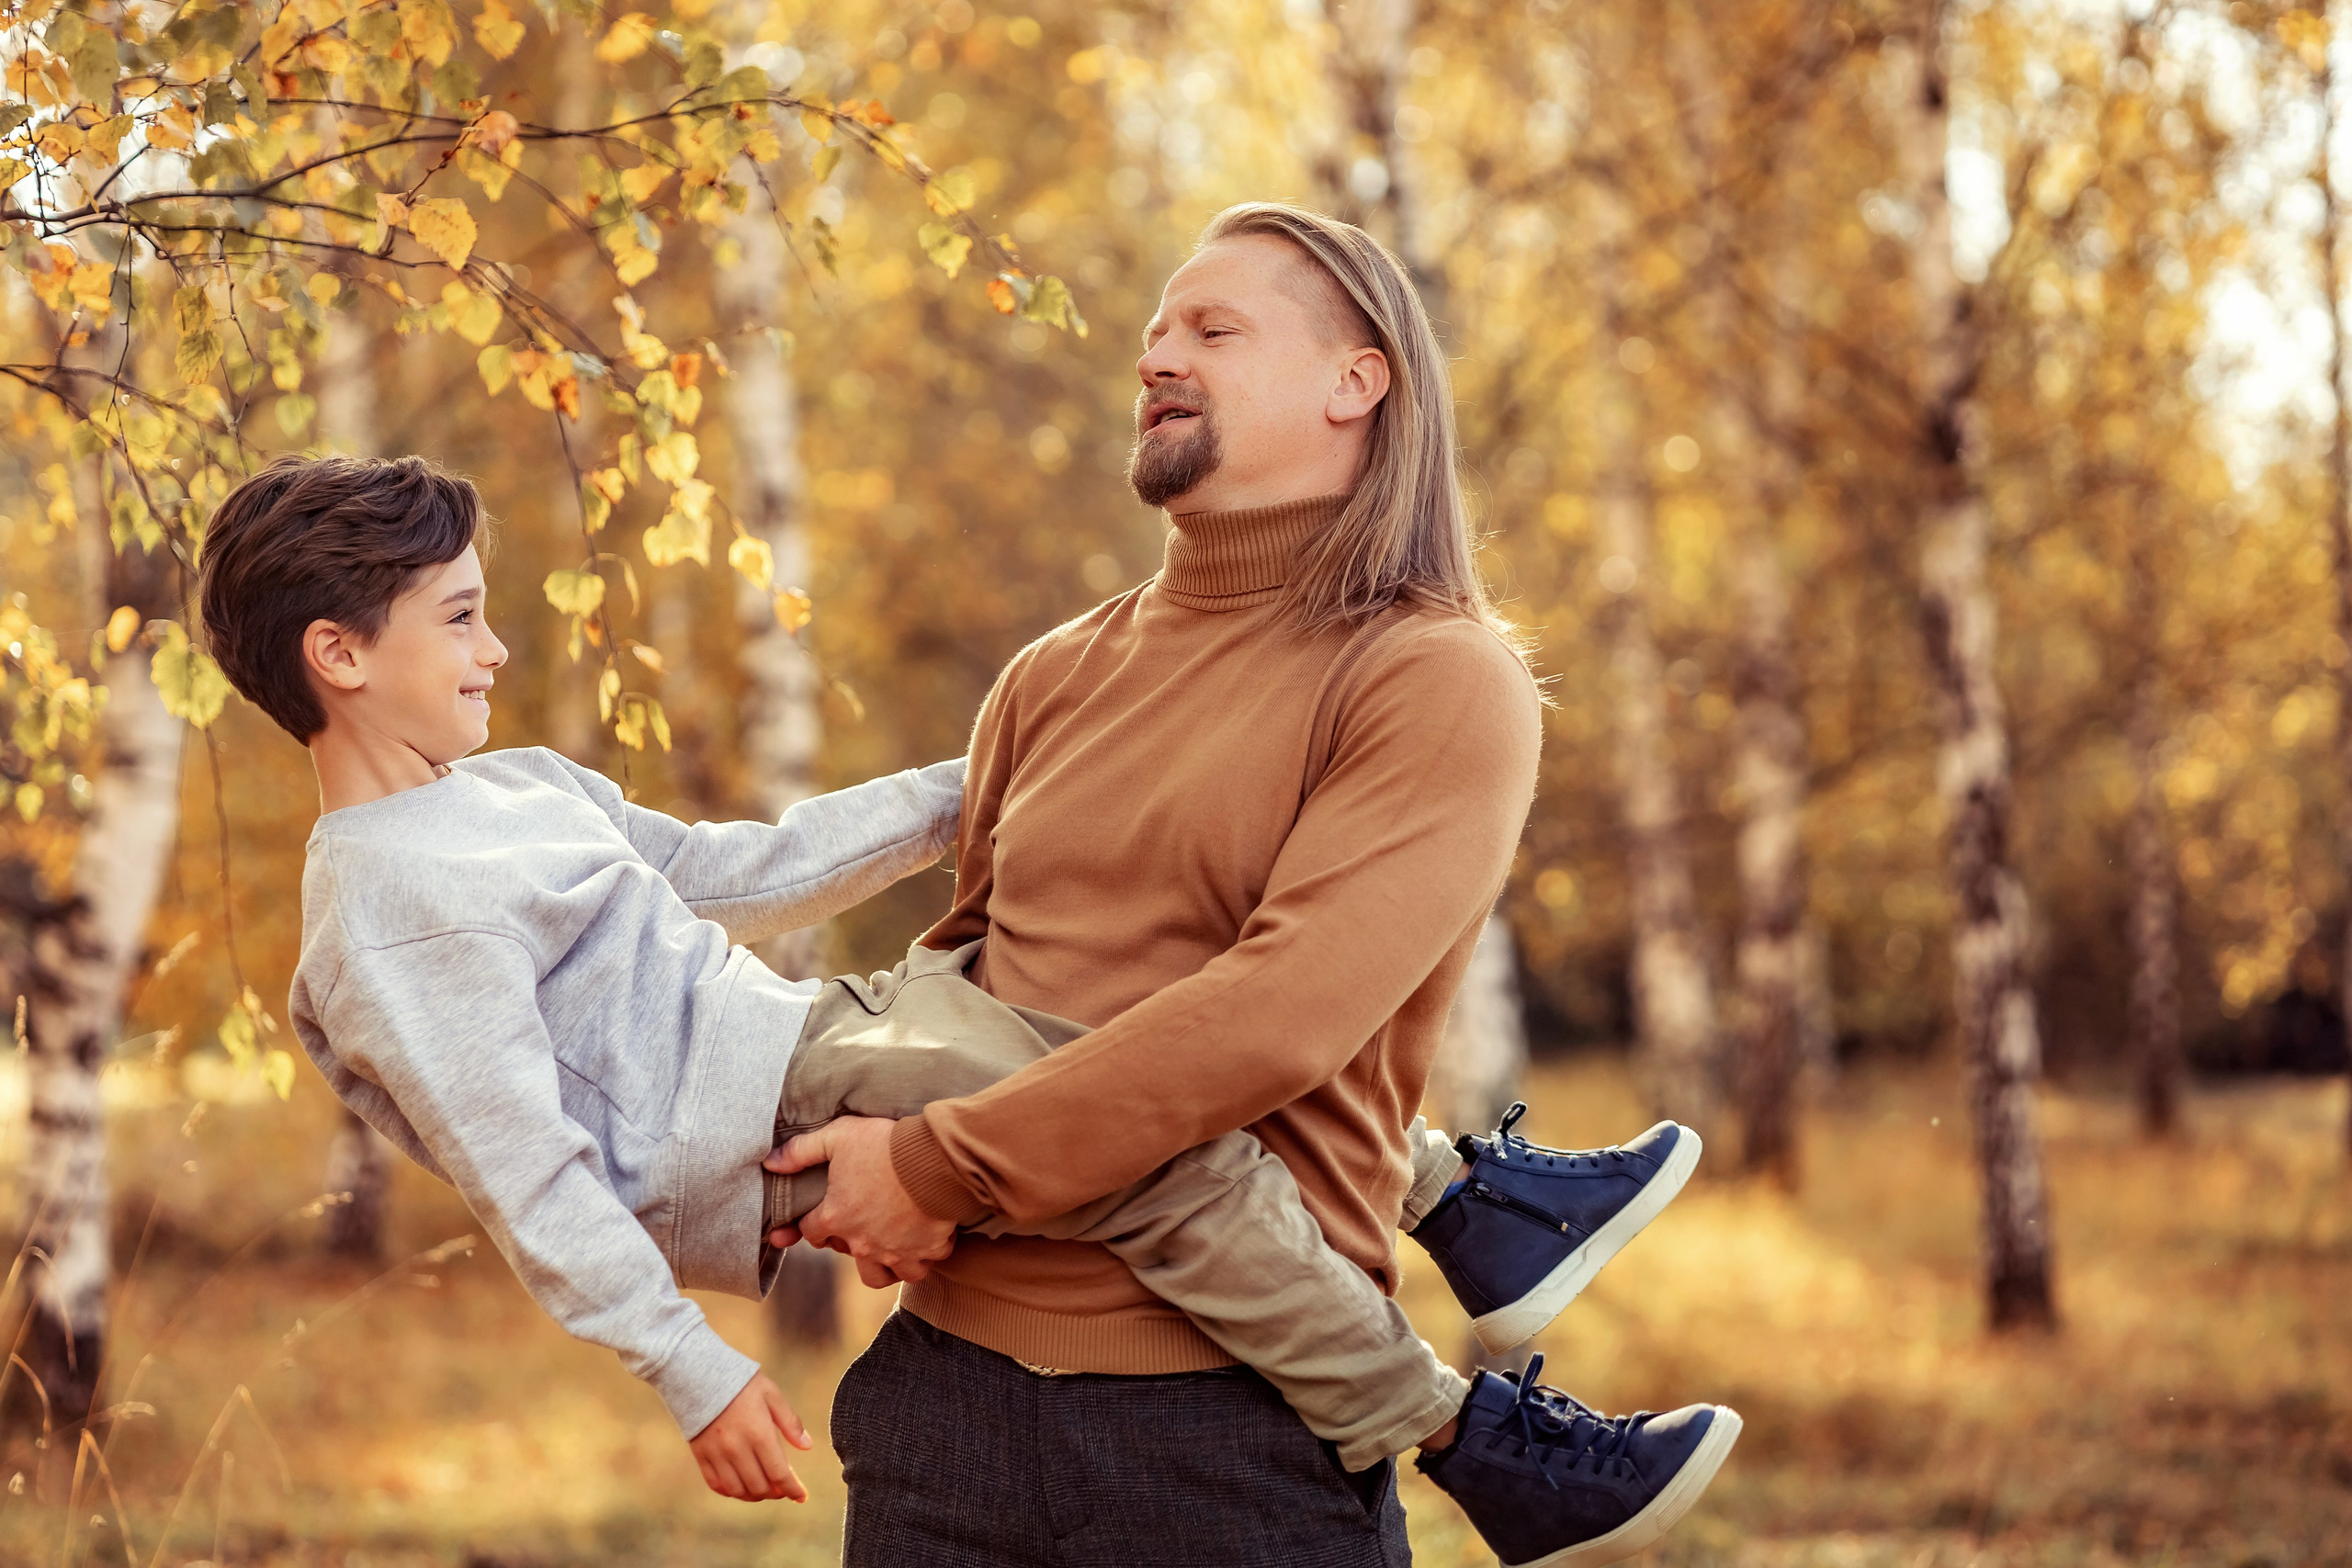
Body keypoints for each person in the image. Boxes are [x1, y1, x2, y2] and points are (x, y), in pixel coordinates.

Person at [198, 450, 1735, 1567]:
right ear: (341, 655)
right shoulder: (387, 904)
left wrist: (985, 781)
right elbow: (521, 1168)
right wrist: (690, 1368)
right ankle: (1466, 1435)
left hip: (806, 1037)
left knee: (1130, 1030)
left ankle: (1466, 1201)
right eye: (461, 619)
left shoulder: (512, 788)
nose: (496, 648)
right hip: (749, 1118)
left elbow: (732, 872)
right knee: (1163, 1154)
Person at [775, 202, 1742, 1568]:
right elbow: (970, 981)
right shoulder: (1051, 674)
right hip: (940, 1418)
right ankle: (1480, 1203)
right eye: (1157, 329)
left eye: (1214, 330)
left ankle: (1476, 1234)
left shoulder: (1430, 677)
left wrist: (935, 1166)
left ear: (1358, 382)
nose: (1158, 355)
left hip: (1231, 1443)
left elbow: (1277, 1016)